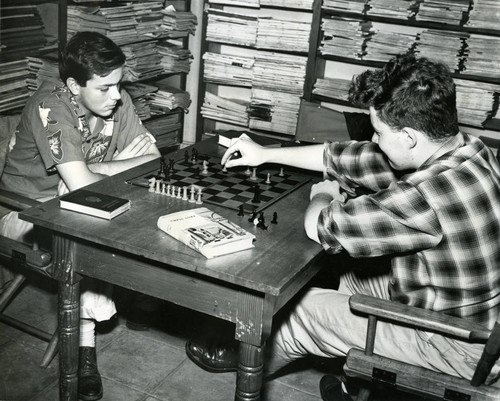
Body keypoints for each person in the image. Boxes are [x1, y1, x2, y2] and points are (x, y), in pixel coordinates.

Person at [185, 53, 500, 400]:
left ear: (410, 137)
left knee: (298, 312)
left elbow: (320, 226)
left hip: (455, 345)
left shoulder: (425, 195)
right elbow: (343, 156)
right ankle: (354, 389)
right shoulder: (471, 150)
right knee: (352, 281)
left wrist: (323, 194)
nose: (374, 141)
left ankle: (245, 359)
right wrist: (265, 153)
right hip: (478, 316)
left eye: (379, 132)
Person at [0, 31, 160, 401]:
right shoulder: (51, 107)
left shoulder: (117, 98)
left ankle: (141, 293)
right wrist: (105, 170)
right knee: (88, 231)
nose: (117, 96)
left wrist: (99, 170)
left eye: (118, 85)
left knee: (118, 214)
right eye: (104, 88)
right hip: (20, 211)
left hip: (75, 202)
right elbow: (79, 185)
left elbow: (153, 159)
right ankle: (84, 349)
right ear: (73, 85)